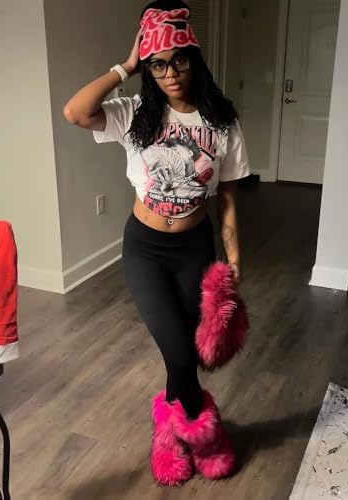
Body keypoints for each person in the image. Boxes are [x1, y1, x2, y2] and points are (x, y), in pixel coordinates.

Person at [63, 0, 250, 486]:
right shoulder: (135, 113)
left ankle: (169, 434)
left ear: (194, 58)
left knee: (185, 350)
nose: (170, 74)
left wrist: (232, 259)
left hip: (195, 249)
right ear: (148, 67)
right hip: (145, 249)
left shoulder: (221, 123)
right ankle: (207, 437)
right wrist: (126, 66)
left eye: (178, 61)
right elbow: (75, 112)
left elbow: (228, 198)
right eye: (158, 65)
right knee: (180, 354)